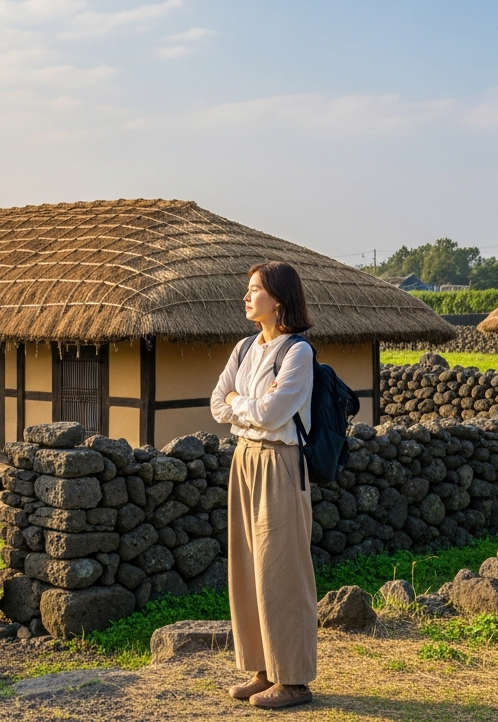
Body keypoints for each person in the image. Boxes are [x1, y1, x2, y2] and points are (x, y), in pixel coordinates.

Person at [208, 260, 318, 710]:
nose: (246, 296)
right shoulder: (243, 348)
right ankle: (262, 669)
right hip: (244, 459)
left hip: (279, 461)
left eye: (255, 289)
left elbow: (274, 415)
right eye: (249, 288)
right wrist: (248, 403)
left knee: (283, 569)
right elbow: (217, 403)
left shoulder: (298, 353)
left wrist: (242, 402)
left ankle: (294, 680)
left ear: (278, 299)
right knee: (248, 567)